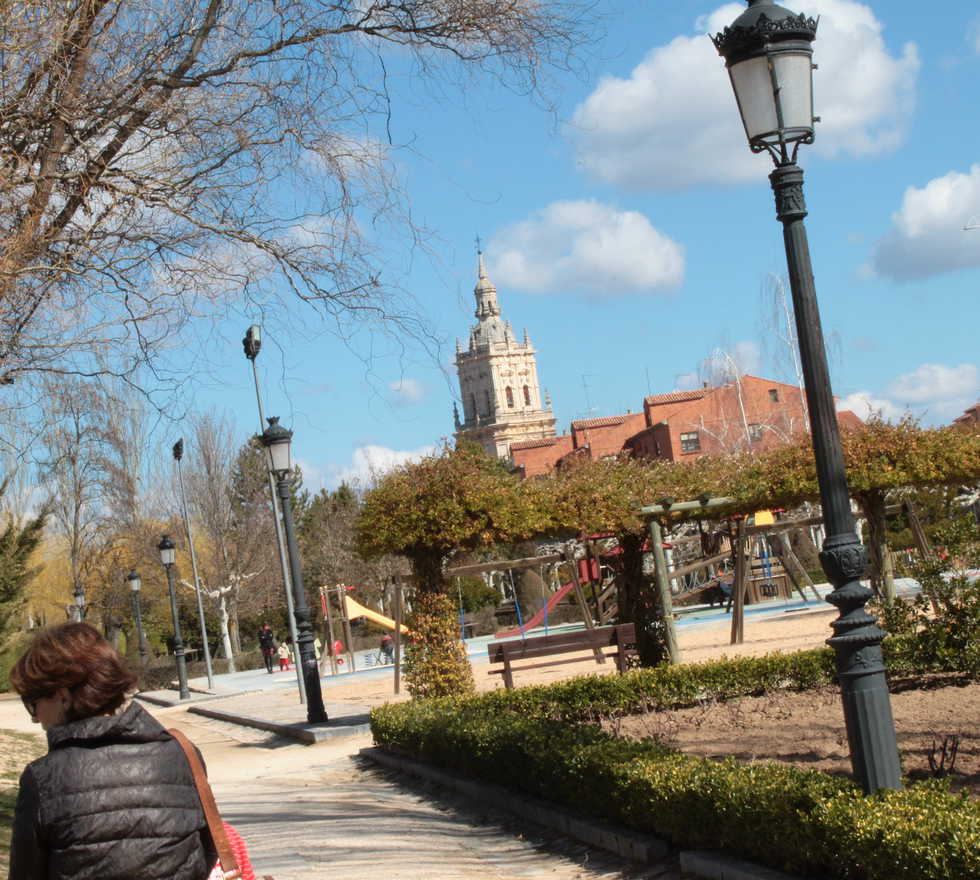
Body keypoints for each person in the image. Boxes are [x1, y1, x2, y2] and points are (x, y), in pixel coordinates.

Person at [9, 622, 217, 880]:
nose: (36, 719)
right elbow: (207, 851)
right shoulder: (183, 753)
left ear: (63, 696)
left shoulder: (42, 779)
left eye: (33, 704)